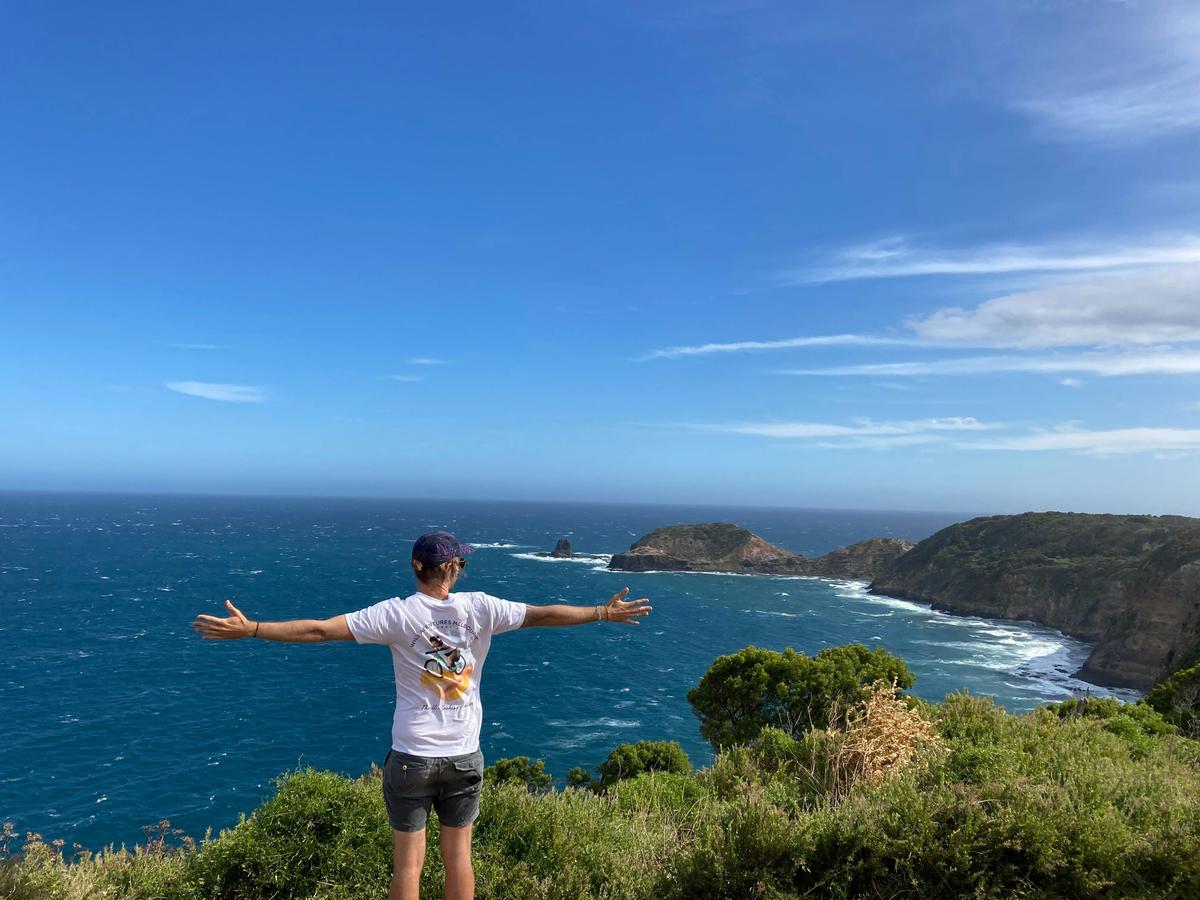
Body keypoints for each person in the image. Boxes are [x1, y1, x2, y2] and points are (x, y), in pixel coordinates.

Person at [192, 530, 652, 900]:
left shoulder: (396, 615)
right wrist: (600, 613)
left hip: (411, 756)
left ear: (417, 568)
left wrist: (252, 629)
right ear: (453, 568)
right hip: (464, 757)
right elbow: (544, 615)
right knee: (459, 860)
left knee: (408, 864)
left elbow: (318, 631)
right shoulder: (482, 608)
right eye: (461, 563)